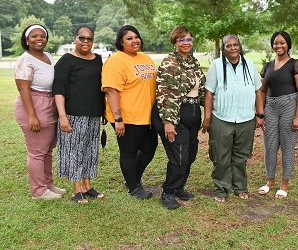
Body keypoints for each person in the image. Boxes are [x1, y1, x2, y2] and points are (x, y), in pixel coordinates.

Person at [202, 34, 264, 202]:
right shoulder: (216, 65)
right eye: (228, 46)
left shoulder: (249, 64)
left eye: (235, 44)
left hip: (245, 118)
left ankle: (240, 187)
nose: (233, 48)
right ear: (223, 48)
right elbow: (209, 92)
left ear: (240, 46)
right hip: (221, 118)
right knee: (221, 155)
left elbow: (258, 91)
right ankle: (221, 188)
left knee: (241, 156)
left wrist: (260, 114)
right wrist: (207, 117)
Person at [101, 25, 158, 200]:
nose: (135, 41)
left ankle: (133, 178)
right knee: (129, 151)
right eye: (129, 38)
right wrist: (118, 119)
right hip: (127, 116)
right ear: (121, 42)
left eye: (136, 37)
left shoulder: (145, 58)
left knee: (149, 148)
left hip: (146, 115)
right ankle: (133, 187)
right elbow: (111, 91)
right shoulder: (116, 61)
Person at [152, 26, 206, 210]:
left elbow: (202, 90)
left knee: (190, 152)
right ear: (175, 42)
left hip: (193, 112)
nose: (185, 43)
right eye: (181, 40)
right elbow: (165, 94)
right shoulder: (169, 63)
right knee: (179, 155)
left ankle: (179, 188)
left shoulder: (194, 62)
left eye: (188, 39)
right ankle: (168, 192)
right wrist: (168, 122)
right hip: (174, 113)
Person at [53, 26, 106, 204]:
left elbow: (101, 88)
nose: (86, 41)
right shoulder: (66, 61)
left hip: (94, 114)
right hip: (73, 114)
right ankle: (76, 190)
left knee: (90, 151)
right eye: (82, 38)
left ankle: (87, 186)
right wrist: (62, 116)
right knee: (74, 151)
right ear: (75, 39)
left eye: (89, 39)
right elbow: (58, 90)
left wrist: (103, 110)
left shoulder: (98, 59)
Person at [14, 24, 66, 200]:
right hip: (34, 104)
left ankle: (48, 184)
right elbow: (23, 90)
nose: (39, 39)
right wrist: (32, 115)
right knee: (37, 151)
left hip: (49, 103)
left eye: (42, 36)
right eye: (34, 36)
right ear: (27, 40)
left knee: (47, 149)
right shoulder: (25, 60)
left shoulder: (48, 57)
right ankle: (38, 191)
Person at [257, 31, 298, 198]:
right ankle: (270, 181)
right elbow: (262, 91)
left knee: (287, 147)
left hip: (290, 106)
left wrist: (297, 116)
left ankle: (284, 184)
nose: (279, 46)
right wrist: (260, 113)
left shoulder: (296, 65)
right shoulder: (268, 66)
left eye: (282, 43)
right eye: (275, 43)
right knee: (270, 146)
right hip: (270, 107)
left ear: (288, 45)